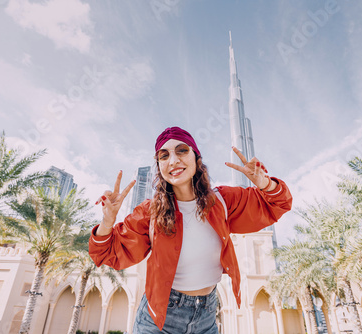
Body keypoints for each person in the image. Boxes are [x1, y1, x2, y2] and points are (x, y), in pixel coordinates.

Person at [89, 126, 292, 334]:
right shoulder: (150, 213)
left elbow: (276, 205)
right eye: (164, 156)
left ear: (196, 158)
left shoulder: (222, 201)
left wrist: (265, 183)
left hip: (206, 317)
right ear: (159, 167)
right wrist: (107, 222)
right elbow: (107, 254)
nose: (173, 160)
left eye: (182, 150)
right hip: (159, 321)